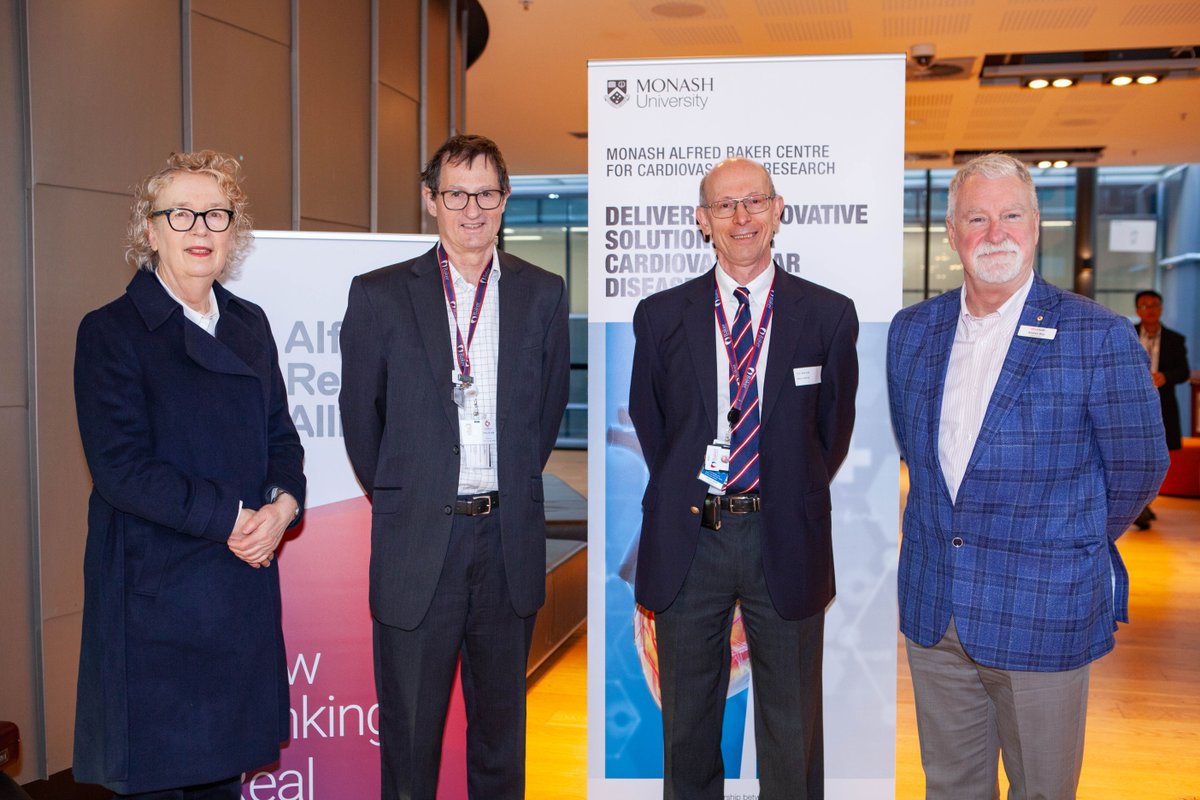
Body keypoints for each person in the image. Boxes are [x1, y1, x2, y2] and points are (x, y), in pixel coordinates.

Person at [887, 152, 1169, 799]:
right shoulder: (912, 333)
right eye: (976, 218)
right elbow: (919, 453)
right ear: (954, 233)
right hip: (936, 610)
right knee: (952, 785)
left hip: (1044, 611)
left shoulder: (1097, 337)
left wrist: (1063, 542)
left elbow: (1140, 465)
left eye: (1011, 215)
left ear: (1037, 224)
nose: (995, 233)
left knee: (1043, 789)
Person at [338, 134, 570, 800]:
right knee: (411, 746)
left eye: (487, 194)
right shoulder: (380, 296)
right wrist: (416, 493)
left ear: (505, 200)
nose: (473, 210)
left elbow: (544, 415)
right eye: (457, 194)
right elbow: (363, 423)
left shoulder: (542, 295)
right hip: (418, 550)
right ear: (430, 200)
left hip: (507, 546)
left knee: (501, 743)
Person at [73, 151, 306, 799]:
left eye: (215, 214)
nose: (199, 227)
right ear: (149, 231)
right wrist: (236, 519)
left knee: (222, 783)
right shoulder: (111, 332)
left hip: (236, 597)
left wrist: (283, 509)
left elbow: (281, 439)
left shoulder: (249, 325)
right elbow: (122, 470)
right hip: (157, 606)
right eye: (180, 213)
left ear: (233, 232)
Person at [628, 157, 859, 799]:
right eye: (724, 207)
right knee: (688, 727)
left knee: (791, 729)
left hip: (783, 535)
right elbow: (656, 427)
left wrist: (778, 489)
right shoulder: (660, 316)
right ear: (703, 222)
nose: (742, 218)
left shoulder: (828, 316)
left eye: (754, 202)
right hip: (689, 538)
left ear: (778, 209)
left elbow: (829, 435)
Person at [1132, 289, 1190, 529]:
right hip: (1132, 405)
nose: (1150, 310)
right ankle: (1139, 506)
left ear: (1161, 308)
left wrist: (1165, 377)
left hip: (1162, 406)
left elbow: (1184, 372)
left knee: (1158, 457)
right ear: (1137, 310)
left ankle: (1143, 504)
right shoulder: (1127, 333)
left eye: (1154, 305)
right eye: (1144, 306)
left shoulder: (1175, 339)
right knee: (1134, 455)